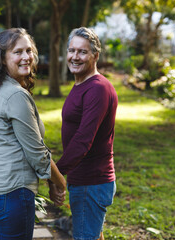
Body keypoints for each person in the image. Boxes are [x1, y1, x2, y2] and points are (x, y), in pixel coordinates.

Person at [0, 28, 66, 240]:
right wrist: (60, 183)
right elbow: (37, 154)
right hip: (10, 196)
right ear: (2, 59)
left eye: (28, 51)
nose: (26, 57)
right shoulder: (15, 95)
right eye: (17, 52)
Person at [50, 27, 118, 240]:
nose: (74, 57)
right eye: (72, 50)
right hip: (84, 181)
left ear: (95, 56)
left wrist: (55, 174)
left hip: (92, 183)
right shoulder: (81, 84)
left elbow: (83, 140)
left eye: (82, 52)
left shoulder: (97, 88)